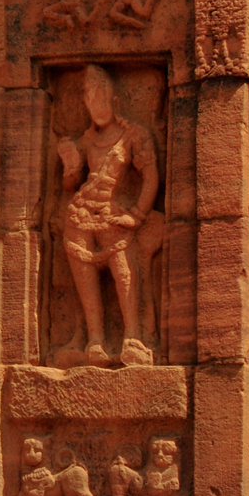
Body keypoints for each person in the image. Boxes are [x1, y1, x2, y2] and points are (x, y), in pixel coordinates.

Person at [57, 66, 159, 366]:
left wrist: (138, 216)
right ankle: (96, 339)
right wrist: (70, 164)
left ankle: (132, 335)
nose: (95, 106)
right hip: (79, 216)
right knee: (84, 281)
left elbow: (151, 176)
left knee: (123, 272)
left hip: (114, 215)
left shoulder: (134, 136)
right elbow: (71, 184)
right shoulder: (87, 140)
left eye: (101, 98)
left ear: (115, 100)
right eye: (90, 100)